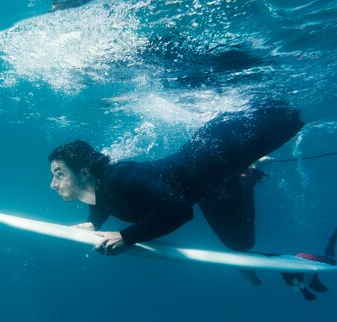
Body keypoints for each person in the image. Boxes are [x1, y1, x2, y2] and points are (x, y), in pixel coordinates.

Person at [48, 101, 304, 266]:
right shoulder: (103, 188)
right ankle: (246, 176)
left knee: (290, 116)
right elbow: (102, 203)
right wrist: (95, 223)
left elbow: (180, 211)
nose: (53, 184)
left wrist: (128, 237)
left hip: (225, 146)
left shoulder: (119, 178)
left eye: (59, 173)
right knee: (241, 243)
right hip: (210, 182)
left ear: (83, 173)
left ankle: (247, 167)